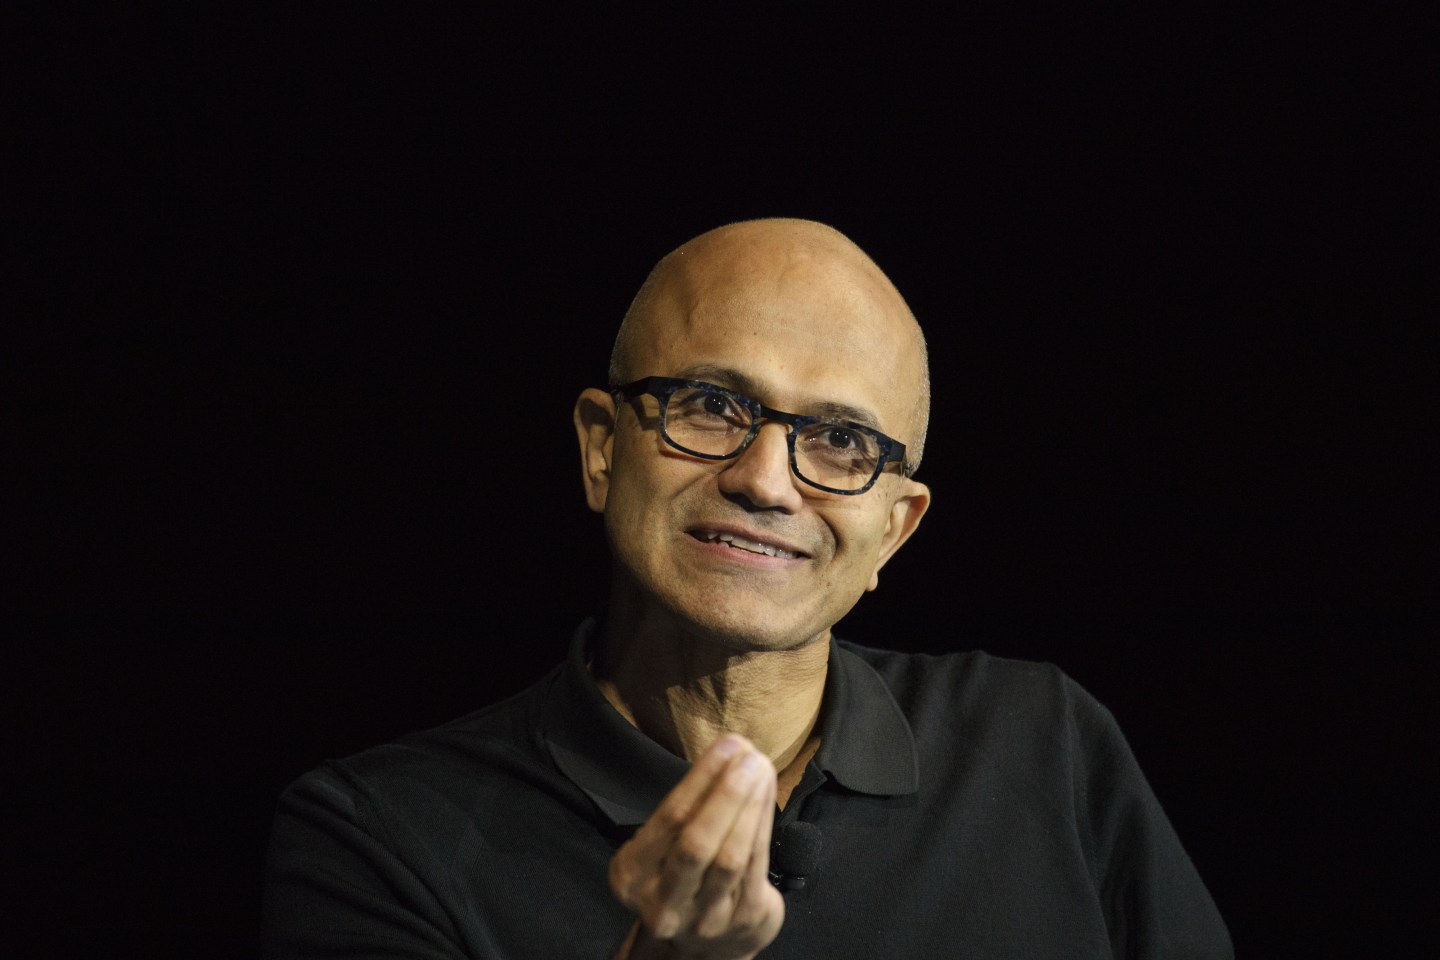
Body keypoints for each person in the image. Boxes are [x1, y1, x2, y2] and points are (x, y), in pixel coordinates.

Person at [262, 219, 1232, 958]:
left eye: (842, 441)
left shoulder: (1043, 746)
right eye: (711, 405)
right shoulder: (379, 838)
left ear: (896, 529)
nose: (766, 481)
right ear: (602, 450)